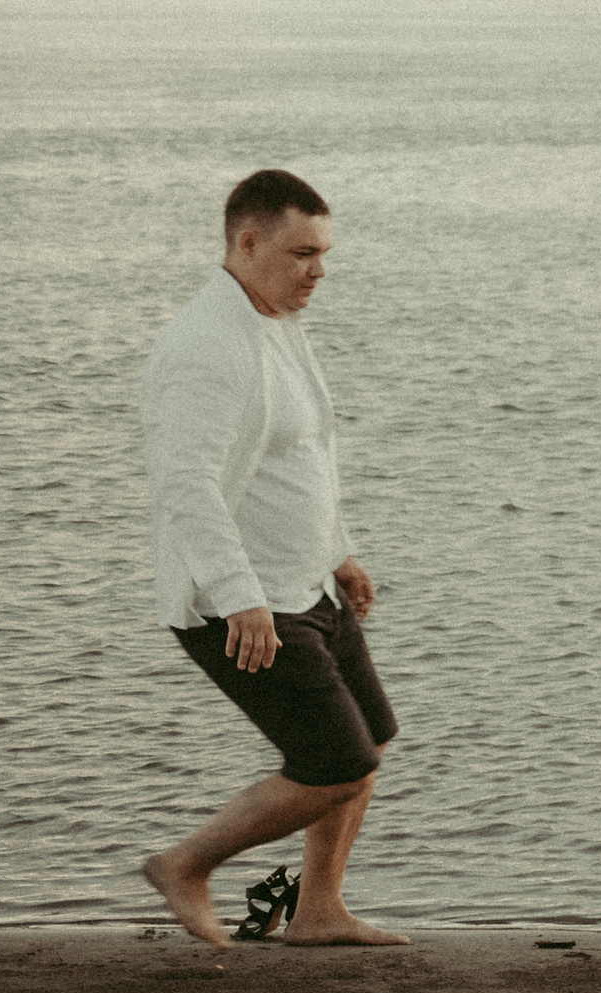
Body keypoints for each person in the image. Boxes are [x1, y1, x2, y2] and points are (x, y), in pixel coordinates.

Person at [136, 169, 408, 948]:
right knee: (336, 765)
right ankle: (185, 865)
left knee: (369, 741)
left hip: (306, 585)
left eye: (324, 254)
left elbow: (303, 454)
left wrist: (339, 552)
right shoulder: (207, 347)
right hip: (243, 602)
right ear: (248, 243)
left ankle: (318, 910)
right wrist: (239, 597)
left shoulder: (275, 320)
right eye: (302, 254)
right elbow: (185, 486)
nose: (318, 271)